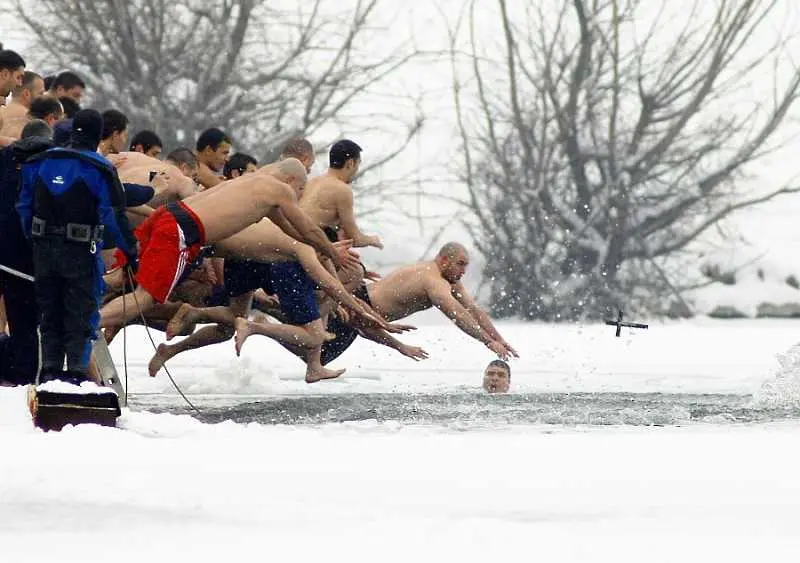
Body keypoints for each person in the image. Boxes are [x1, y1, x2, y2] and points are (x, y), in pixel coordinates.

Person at [98, 158, 392, 335]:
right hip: (182, 230)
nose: (298, 197)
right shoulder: (278, 190)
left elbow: (295, 230)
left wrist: (326, 249)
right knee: (145, 297)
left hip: (167, 216)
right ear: (291, 179)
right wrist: (333, 254)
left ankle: (73, 302)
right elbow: (309, 229)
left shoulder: (257, 185)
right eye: (299, 190)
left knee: (119, 278)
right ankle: (87, 322)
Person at [17, 109, 138, 384]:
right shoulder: (100, 168)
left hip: (44, 250)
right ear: (98, 135)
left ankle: (48, 372)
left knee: (50, 312)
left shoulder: (40, 161)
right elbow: (113, 216)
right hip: (81, 252)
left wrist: (35, 240)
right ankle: (74, 375)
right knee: (80, 314)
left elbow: (24, 206)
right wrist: (131, 253)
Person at [258, 242, 519, 362]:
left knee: (311, 335)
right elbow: (458, 316)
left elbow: (473, 310)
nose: (463, 270)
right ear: (444, 260)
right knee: (316, 352)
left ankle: (266, 309)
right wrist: (487, 341)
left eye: (466, 265)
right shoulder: (434, 281)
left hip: (362, 304)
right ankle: (262, 321)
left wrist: (498, 338)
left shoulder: (448, 279)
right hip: (359, 306)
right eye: (460, 264)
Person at [0, 119, 53, 386]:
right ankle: (25, 379)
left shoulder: (4, 158)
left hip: (3, 254)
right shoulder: (54, 163)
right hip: (29, 259)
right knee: (25, 324)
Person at [300, 139, 382, 248]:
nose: (357, 170)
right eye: (358, 165)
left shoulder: (312, 182)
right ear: (350, 163)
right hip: (307, 248)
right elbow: (356, 239)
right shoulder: (342, 190)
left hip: (292, 242)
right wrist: (373, 240)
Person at [0, 71, 44, 138]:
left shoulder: (1, 112)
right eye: (40, 93)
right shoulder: (31, 119)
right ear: (26, 94)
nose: (43, 97)